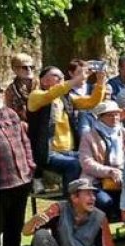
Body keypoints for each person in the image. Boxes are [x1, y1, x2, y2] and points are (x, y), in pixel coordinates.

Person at [27, 65, 106, 193]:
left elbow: (92, 102)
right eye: (57, 76)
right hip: (48, 154)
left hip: (69, 151)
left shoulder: (66, 98)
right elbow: (51, 94)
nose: (62, 79)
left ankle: (95, 197)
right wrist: (77, 79)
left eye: (63, 77)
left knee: (95, 158)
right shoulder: (36, 96)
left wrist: (100, 81)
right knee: (75, 164)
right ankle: (70, 200)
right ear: (44, 81)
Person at [78, 101, 125, 218]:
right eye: (110, 115)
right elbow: (87, 163)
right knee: (104, 202)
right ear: (100, 117)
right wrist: (109, 172)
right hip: (96, 180)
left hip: (124, 180)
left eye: (116, 114)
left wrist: (124, 173)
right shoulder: (89, 136)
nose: (114, 117)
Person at [0, 104, 37, 246]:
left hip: (20, 180)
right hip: (0, 185)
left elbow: (25, 141)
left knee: (14, 229)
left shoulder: (9, 113)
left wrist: (30, 165)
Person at [4, 53, 36, 123]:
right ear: (15, 69)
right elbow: (10, 113)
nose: (29, 70)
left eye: (32, 67)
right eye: (25, 67)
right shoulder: (11, 90)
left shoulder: (41, 84)